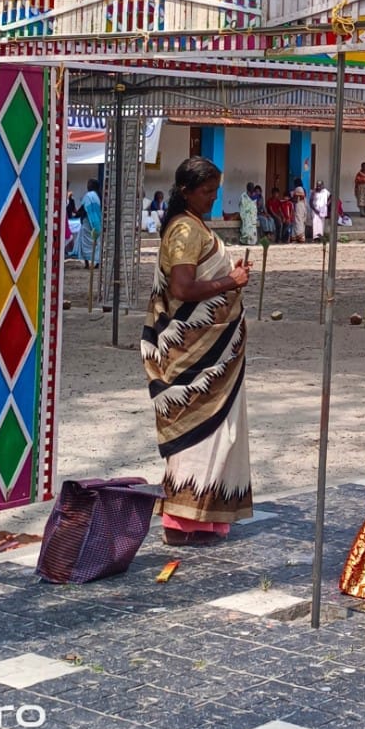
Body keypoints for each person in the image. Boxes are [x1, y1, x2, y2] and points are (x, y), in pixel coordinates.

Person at [142, 155, 252, 547]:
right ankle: (183, 518)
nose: (213, 197)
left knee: (216, 432)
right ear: (186, 191)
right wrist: (230, 280)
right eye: (207, 191)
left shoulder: (193, 226)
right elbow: (183, 290)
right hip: (195, 356)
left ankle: (204, 517)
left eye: (216, 190)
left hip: (213, 353)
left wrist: (227, 277)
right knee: (199, 431)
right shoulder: (186, 230)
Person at [76, 177, 103, 266]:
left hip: (87, 222)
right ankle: (97, 262)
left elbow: (84, 209)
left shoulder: (89, 196)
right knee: (95, 243)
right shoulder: (98, 196)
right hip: (96, 222)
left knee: (85, 243)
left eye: (89, 184)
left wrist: (77, 213)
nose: (87, 186)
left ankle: (87, 263)